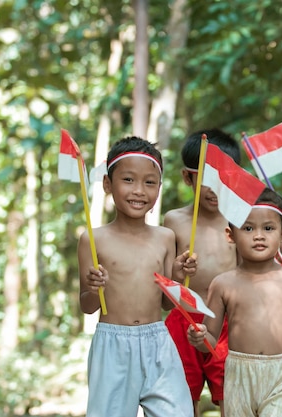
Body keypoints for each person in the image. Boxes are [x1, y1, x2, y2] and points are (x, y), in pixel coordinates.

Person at [187, 188, 282, 417]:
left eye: (268, 228)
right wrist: (199, 337)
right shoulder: (223, 284)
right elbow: (211, 340)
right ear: (230, 234)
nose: (258, 235)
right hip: (238, 374)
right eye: (248, 228)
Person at [78, 136, 196, 417]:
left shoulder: (165, 238)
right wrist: (94, 289)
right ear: (108, 184)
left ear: (159, 188)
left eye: (149, 182)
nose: (139, 191)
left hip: (158, 341)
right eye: (128, 180)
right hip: (112, 344)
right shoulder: (94, 239)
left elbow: (167, 304)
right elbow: (86, 305)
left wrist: (177, 278)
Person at [164, 128, 241, 417]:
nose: (216, 188)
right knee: (182, 399)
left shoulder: (239, 221)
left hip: (226, 322)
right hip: (184, 317)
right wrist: (177, 269)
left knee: (231, 397)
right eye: (207, 179)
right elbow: (166, 276)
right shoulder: (174, 220)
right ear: (188, 177)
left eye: (225, 178)